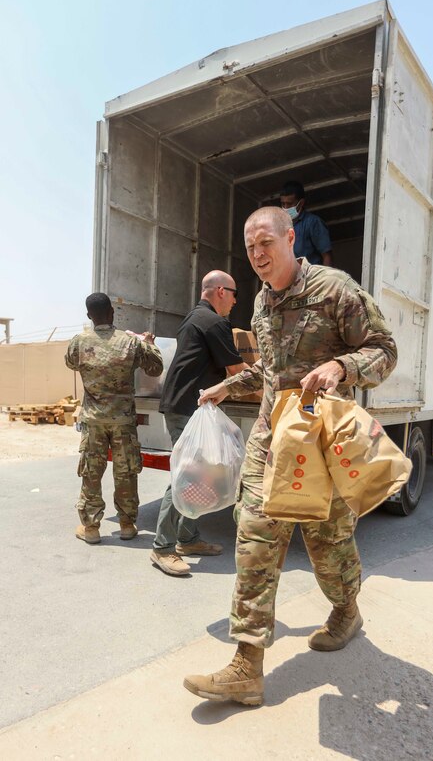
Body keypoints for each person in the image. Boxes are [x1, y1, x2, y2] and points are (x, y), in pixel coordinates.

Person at [183, 207, 397, 706]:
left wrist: (342, 366)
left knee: (327, 545)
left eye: (266, 243)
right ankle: (246, 666)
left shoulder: (334, 288)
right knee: (255, 538)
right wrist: (227, 384)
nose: (258, 254)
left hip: (323, 444)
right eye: (250, 246)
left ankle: (346, 610)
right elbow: (272, 370)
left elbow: (384, 350)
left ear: (289, 238)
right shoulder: (260, 303)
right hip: (270, 440)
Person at [150, 270, 248, 577]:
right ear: (221, 291)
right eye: (234, 294)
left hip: (186, 403)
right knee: (187, 476)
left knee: (202, 474)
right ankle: (162, 548)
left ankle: (188, 539)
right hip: (186, 407)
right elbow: (236, 369)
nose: (234, 302)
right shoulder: (214, 322)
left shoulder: (194, 317)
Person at [65, 292, 163, 544]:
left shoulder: (79, 342)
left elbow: (70, 363)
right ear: (112, 312)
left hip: (94, 421)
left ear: (89, 315)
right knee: (126, 472)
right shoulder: (129, 343)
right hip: (123, 422)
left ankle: (91, 528)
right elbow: (156, 368)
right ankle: (127, 524)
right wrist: (149, 343)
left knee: (91, 473)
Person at [280, 180, 333, 266]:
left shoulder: (313, 223)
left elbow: (327, 256)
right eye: (283, 203)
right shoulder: (279, 225)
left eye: (289, 204)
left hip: (311, 277)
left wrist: (325, 278)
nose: (285, 207)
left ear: (301, 203)